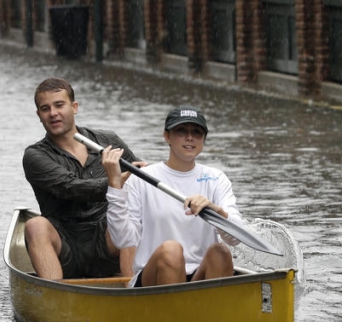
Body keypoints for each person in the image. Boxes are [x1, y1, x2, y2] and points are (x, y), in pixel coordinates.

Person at [102, 104, 243, 288]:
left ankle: (209, 311)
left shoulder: (217, 179)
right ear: (167, 136)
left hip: (198, 277)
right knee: (172, 250)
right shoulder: (142, 178)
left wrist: (216, 211)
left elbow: (236, 238)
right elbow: (123, 239)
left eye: (197, 132)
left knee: (221, 252)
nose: (190, 137)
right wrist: (115, 185)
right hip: (152, 279)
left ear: (203, 139)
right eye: (181, 131)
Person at [22, 77, 142, 280]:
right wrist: (114, 182)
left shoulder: (108, 141)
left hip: (107, 238)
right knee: (35, 225)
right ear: (39, 115)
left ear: (74, 107)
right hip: (64, 244)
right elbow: (72, 188)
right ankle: (56, 298)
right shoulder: (35, 156)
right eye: (45, 108)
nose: (53, 114)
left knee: (133, 208)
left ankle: (134, 291)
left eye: (59, 105)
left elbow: (141, 176)